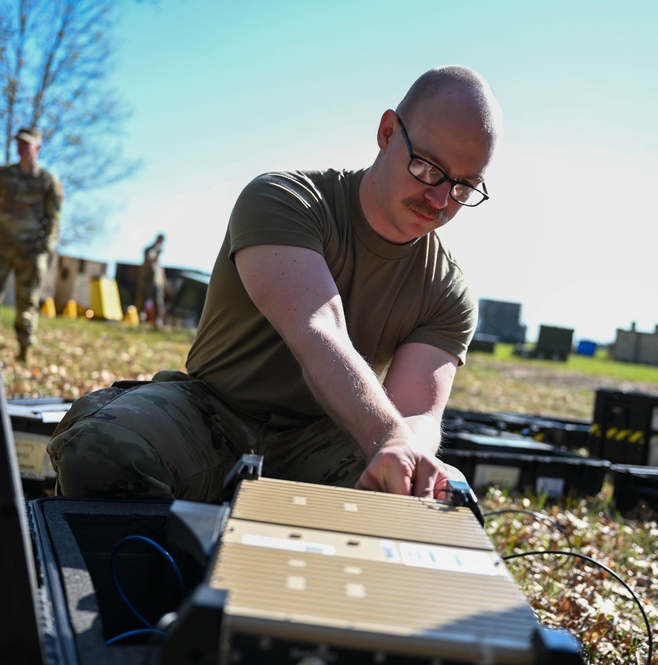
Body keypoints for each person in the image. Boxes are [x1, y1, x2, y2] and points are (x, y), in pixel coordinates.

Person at [48, 65, 501, 503]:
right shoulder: (285, 200)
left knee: (438, 501)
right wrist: (387, 435)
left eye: (464, 187)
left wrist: (408, 456)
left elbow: (416, 414)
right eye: (427, 167)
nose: (440, 199)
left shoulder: (447, 289)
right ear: (386, 133)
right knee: (101, 449)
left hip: (330, 439)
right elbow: (316, 327)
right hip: (213, 413)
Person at [0, 126, 64, 362]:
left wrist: (45, 248)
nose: (21, 147)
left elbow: (54, 218)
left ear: (38, 147)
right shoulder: (3, 174)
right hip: (0, 247)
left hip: (30, 251)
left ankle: (24, 351)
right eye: (19, 142)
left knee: (27, 301)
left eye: (27, 143)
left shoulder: (47, 181)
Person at [135, 233, 167, 328]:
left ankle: (157, 321)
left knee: (158, 300)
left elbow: (159, 266)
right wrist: (156, 256)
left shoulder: (159, 250)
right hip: (148, 279)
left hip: (158, 280)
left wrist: (164, 279)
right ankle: (139, 318)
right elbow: (148, 261)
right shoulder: (150, 249)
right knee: (144, 298)